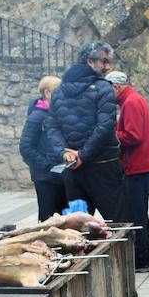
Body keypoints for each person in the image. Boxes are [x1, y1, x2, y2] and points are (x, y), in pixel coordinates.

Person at [47, 41, 124, 222]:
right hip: (103, 166)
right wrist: (81, 154)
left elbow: (51, 127)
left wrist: (66, 153)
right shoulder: (104, 87)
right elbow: (105, 127)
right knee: (118, 225)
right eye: (104, 61)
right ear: (90, 61)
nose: (107, 67)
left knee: (78, 229)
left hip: (72, 167)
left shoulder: (58, 92)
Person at [109, 71, 149, 271]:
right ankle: (142, 258)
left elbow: (132, 136)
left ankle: (142, 259)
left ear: (115, 86)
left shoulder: (130, 102)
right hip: (142, 165)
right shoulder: (132, 99)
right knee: (139, 213)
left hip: (138, 166)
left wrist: (110, 133)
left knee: (137, 215)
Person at [20, 74, 66, 221]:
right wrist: (47, 165)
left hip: (60, 175)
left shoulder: (57, 115)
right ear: (47, 93)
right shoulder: (37, 116)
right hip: (46, 178)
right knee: (48, 220)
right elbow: (26, 147)